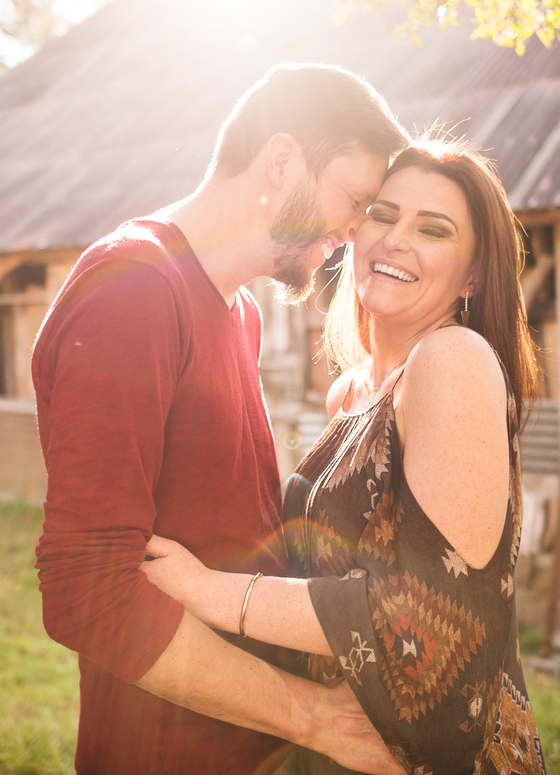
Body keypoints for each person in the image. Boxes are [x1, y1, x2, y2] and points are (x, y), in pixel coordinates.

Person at [31, 63, 410, 775]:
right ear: (280, 160)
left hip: (251, 744)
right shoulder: (135, 290)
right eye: (355, 200)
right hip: (164, 752)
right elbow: (85, 590)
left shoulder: (240, 314)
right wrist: (314, 714)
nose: (358, 232)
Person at [142, 135, 548, 775]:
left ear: (473, 274)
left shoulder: (454, 360)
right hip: (339, 742)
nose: (395, 239)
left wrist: (210, 591)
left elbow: (428, 617)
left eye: (433, 230)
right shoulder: (351, 391)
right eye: (383, 215)